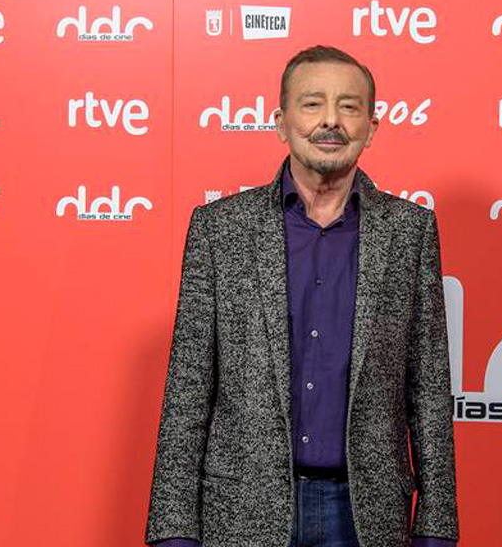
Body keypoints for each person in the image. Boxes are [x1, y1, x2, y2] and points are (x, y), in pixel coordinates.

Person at [144, 45, 459, 547]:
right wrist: (173, 528)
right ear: (280, 122)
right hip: (241, 511)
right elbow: (188, 389)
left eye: (349, 106)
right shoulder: (220, 230)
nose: (330, 120)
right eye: (312, 104)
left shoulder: (409, 232)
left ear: (371, 127)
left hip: (367, 517)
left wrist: (436, 527)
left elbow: (428, 390)